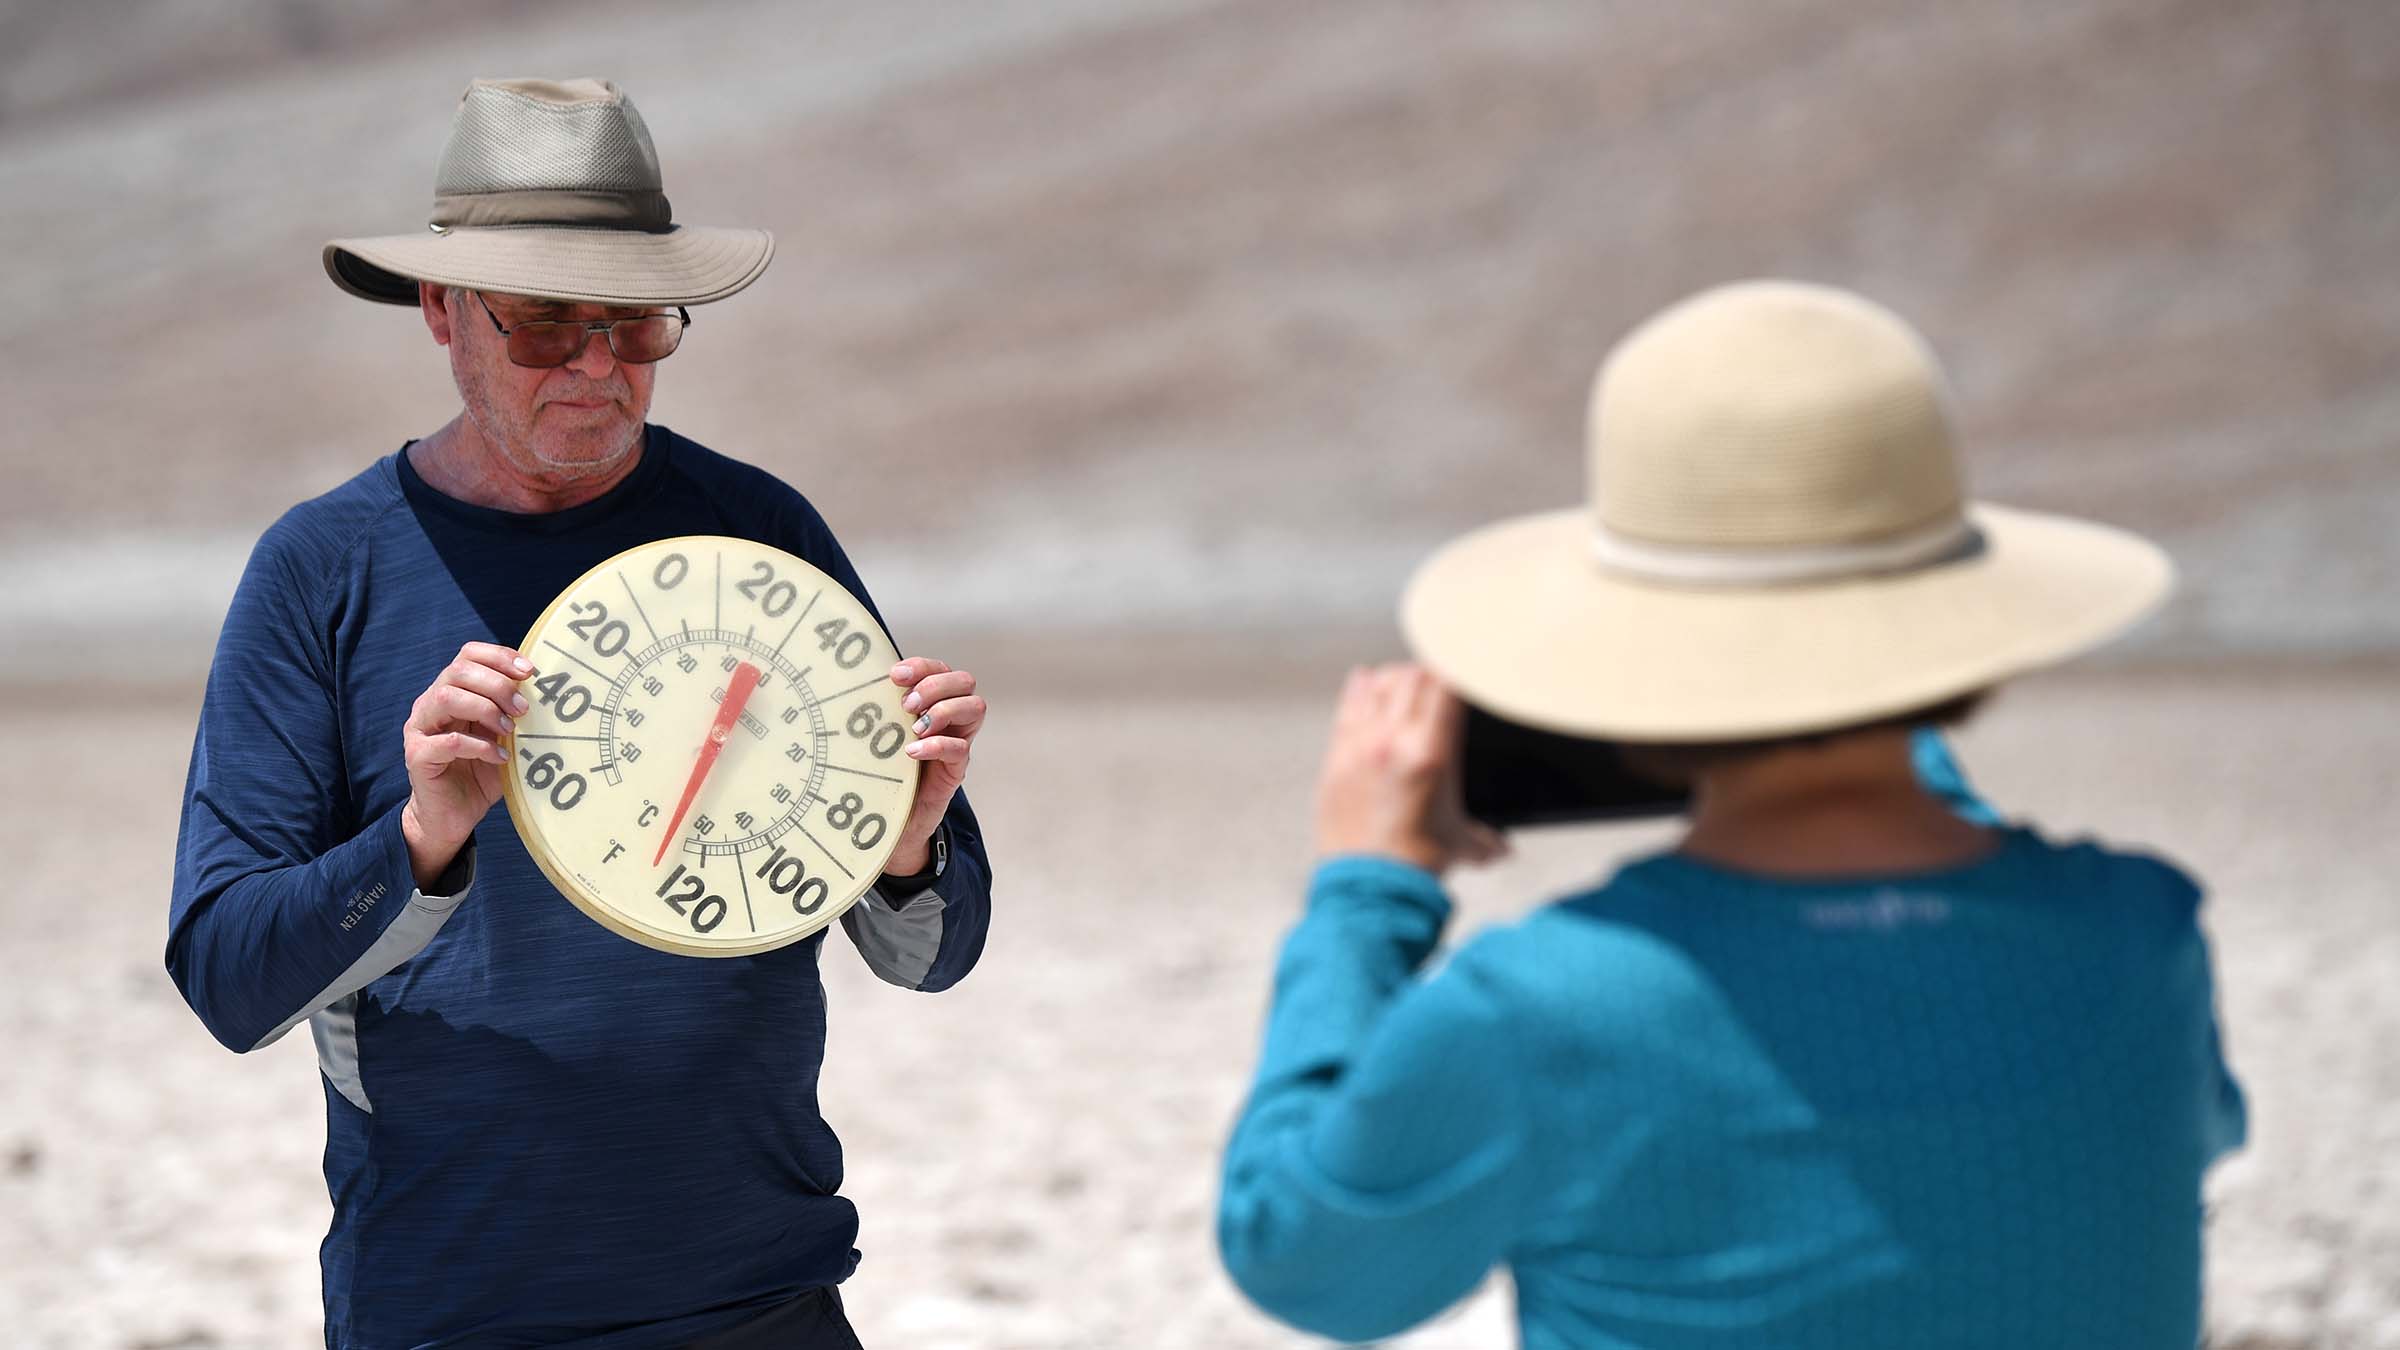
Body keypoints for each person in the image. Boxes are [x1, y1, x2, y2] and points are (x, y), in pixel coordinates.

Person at [1217, 281, 2245, 1348]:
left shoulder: (1541, 1011)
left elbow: (1298, 1253)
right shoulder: (2139, 935)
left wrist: (1365, 892)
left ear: (1631, 650)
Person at [167, 78, 993, 1349]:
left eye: (636, 325)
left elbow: (933, 952)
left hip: (763, 1304)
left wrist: (902, 841)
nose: (600, 366)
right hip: (451, 1310)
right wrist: (417, 844)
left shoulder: (760, 539)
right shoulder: (323, 571)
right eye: (548, 324)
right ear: (442, 312)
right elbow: (230, 980)